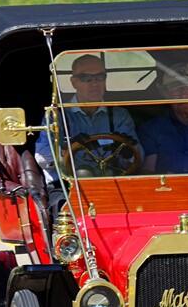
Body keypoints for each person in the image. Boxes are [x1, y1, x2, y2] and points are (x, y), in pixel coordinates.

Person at [35, 55, 142, 213]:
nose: (95, 84)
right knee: (62, 209)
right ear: (74, 82)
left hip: (113, 180)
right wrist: (67, 149)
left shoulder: (119, 115)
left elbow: (139, 154)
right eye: (86, 78)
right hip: (68, 185)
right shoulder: (57, 116)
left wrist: (127, 152)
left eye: (100, 77)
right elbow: (42, 156)